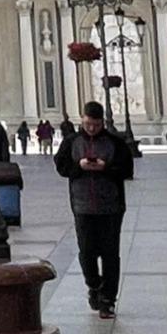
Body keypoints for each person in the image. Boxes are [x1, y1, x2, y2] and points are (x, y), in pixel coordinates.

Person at [54, 101, 133, 319]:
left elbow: (127, 169)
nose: (91, 129)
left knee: (110, 254)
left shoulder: (114, 142)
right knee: (87, 252)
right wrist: (78, 167)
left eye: (96, 125)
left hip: (111, 207)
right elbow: (61, 166)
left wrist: (105, 167)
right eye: (88, 124)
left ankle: (107, 299)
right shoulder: (72, 142)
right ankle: (94, 284)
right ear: (82, 119)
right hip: (82, 206)